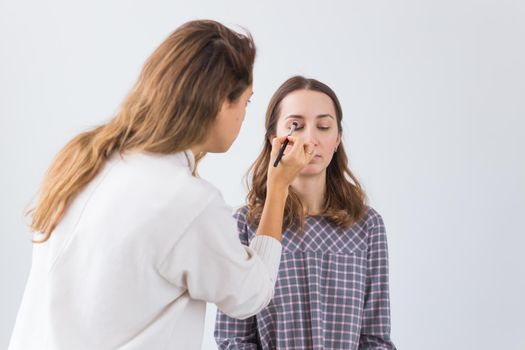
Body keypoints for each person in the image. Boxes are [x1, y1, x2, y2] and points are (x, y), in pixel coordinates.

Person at [8, 21, 315, 350]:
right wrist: (278, 186)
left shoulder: (85, 159)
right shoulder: (189, 203)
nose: (243, 115)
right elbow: (250, 293)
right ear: (220, 103)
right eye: (246, 102)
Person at [215, 76, 396, 349]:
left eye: (323, 126)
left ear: (337, 140)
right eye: (295, 126)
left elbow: (376, 339)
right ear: (274, 139)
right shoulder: (245, 225)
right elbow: (234, 339)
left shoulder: (367, 226)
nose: (310, 139)